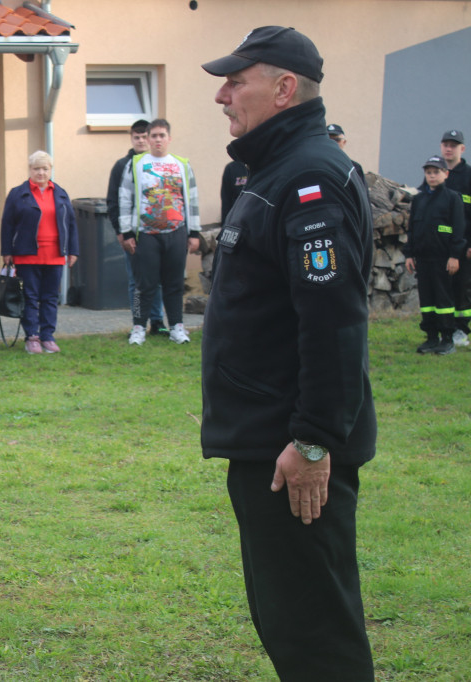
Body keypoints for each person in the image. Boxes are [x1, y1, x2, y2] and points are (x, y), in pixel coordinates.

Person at [201, 26, 377, 680]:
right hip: (267, 444)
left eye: (235, 80)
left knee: (314, 636)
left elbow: (332, 321)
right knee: (294, 623)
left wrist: (312, 441)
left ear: (282, 89)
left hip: (293, 455)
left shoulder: (308, 178)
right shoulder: (274, 171)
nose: (222, 95)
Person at [118, 119, 201, 346]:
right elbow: (125, 198)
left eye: (161, 135)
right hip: (146, 234)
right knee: (143, 285)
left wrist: (194, 232)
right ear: (148, 138)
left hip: (176, 232)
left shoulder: (181, 165)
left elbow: (192, 199)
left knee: (174, 283)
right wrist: (126, 233)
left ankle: (177, 327)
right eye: (153, 135)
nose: (157, 140)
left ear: (169, 138)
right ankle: (138, 328)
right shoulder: (135, 164)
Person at [0, 150, 79, 354]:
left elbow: (71, 223)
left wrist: (73, 250)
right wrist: (6, 251)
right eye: (37, 168)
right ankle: (32, 337)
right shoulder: (18, 193)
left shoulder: (60, 193)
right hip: (27, 254)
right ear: (30, 170)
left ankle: (48, 336)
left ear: (50, 170)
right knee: (29, 296)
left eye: (45, 168)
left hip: (54, 254)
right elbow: (7, 224)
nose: (41, 173)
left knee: (50, 297)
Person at [106, 119, 165, 335]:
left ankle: (157, 321)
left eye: (144, 137)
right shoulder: (122, 166)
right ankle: (139, 323)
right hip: (133, 234)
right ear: (131, 138)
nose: (140, 141)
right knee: (137, 281)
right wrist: (121, 232)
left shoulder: (160, 164)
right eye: (136, 137)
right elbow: (113, 202)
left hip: (158, 231)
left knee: (156, 280)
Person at [404, 155, 466, 355]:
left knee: (443, 299)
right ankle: (431, 337)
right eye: (428, 173)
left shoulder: (452, 198)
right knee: (427, 300)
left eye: (436, 172)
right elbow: (412, 228)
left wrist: (455, 255)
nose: (432, 176)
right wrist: (409, 254)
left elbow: (458, 229)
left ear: (445, 174)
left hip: (443, 258)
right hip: (423, 258)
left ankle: (447, 338)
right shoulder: (419, 199)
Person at [439, 129, 471, 346]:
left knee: (462, 287)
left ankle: (462, 330)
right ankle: (446, 329)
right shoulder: (438, 174)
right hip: (441, 245)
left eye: (454, 145)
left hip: (464, 245)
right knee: (444, 288)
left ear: (462, 149)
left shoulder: (468, 175)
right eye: (446, 145)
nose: (449, 149)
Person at [219, 159, 248, 225]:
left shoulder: (265, 167)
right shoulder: (232, 168)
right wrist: (225, 225)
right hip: (237, 223)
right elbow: (226, 200)